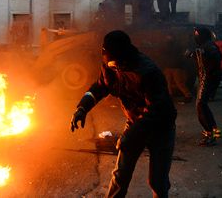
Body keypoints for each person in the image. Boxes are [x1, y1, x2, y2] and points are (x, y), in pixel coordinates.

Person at [70, 30, 177, 198]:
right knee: (121, 175)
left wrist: (130, 136)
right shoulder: (110, 64)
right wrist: (82, 107)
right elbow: (101, 86)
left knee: (157, 181)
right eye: (108, 60)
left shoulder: (147, 72)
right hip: (135, 122)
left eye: (113, 62)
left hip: (161, 128)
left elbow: (157, 111)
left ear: (124, 57)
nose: (110, 66)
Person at [187, 27, 222, 146]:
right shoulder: (204, 46)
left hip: (208, 78)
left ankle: (210, 134)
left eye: (197, 34)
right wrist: (193, 54)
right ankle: (212, 129)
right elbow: (201, 59)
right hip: (205, 78)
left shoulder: (210, 46)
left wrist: (198, 54)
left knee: (201, 104)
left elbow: (215, 59)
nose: (195, 36)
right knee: (202, 104)